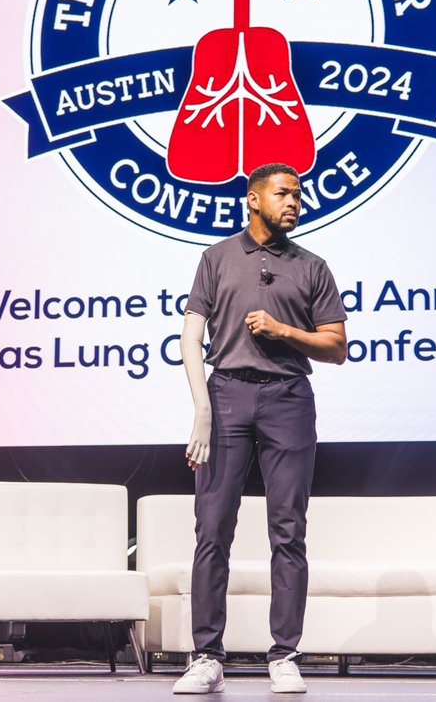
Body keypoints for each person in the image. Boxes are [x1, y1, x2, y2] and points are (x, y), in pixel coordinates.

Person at [171, 162, 348, 695]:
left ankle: (285, 654)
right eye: (283, 194)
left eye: (298, 195)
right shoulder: (217, 258)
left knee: (288, 529)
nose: (295, 202)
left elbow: (337, 347)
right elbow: (189, 337)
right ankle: (206, 656)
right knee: (212, 527)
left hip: (289, 398)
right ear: (253, 199)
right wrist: (201, 409)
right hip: (226, 396)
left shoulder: (312, 266)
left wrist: (282, 329)